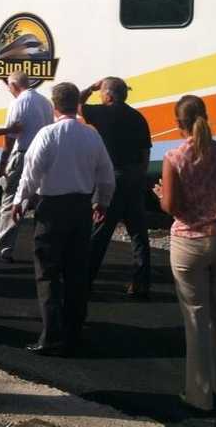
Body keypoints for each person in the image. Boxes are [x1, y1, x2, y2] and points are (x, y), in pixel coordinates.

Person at [12, 82, 115, 357]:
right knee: (76, 273)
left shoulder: (47, 135)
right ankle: (74, 332)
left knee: (47, 274)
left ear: (55, 106)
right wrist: (101, 201)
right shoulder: (91, 136)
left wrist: (19, 201)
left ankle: (51, 336)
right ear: (74, 104)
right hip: (81, 208)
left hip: (52, 209)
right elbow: (106, 174)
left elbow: (30, 172)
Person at [155, 94, 216, 413]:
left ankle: (199, 396)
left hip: (190, 242)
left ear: (178, 123)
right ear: (205, 116)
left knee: (196, 317)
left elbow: (172, 207)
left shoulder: (174, 156)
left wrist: (160, 196)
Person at [80, 77, 153, 296]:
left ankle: (85, 282)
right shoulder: (138, 117)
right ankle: (140, 284)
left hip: (111, 179)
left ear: (108, 95)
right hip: (134, 177)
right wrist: (140, 175)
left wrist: (91, 87)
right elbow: (145, 152)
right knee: (139, 235)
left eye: (102, 92)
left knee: (100, 233)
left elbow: (77, 104)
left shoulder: (100, 113)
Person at [0, 71, 53, 263]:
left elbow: (10, 137)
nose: (8, 89)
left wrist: (3, 162)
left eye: (8, 85)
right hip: (44, 157)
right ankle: (43, 247)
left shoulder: (18, 103)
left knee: (11, 201)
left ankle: (3, 250)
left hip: (23, 154)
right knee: (41, 201)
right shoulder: (45, 102)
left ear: (14, 85)